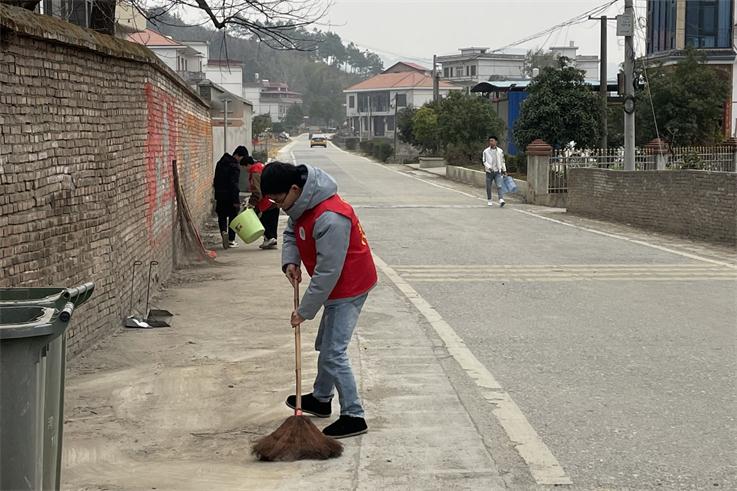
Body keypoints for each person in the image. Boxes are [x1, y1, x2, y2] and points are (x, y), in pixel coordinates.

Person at [260, 162, 377, 439]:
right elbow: (291, 233)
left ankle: (354, 415)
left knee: (334, 352)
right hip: (334, 285)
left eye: (279, 200)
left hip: (349, 286)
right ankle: (322, 399)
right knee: (325, 345)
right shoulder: (300, 205)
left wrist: (304, 311)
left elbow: (328, 272)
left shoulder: (330, 217)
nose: (279, 206)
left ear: (294, 189)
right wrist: (290, 260)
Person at [237, 151, 279, 249]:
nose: (244, 170)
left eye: (244, 167)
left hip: (266, 202)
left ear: (247, 165)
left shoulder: (255, 172)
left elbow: (257, 191)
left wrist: (251, 204)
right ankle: (271, 240)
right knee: (272, 221)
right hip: (275, 199)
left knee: (260, 221)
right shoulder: (261, 166)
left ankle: (269, 238)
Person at [212, 151, 241, 249]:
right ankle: (231, 240)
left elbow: (215, 180)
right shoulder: (234, 166)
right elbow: (234, 184)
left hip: (220, 195)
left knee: (222, 216)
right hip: (231, 196)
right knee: (233, 218)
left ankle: (223, 232)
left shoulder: (219, 163)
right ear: (237, 155)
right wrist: (236, 201)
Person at [482, 136, 507, 207]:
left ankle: (501, 199)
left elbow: (503, 161)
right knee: (488, 187)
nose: (491, 142)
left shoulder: (500, 151)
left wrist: (504, 170)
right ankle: (489, 200)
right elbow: (484, 161)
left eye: (492, 141)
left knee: (499, 186)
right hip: (489, 172)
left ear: (496, 142)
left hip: (497, 172)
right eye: (490, 141)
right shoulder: (485, 151)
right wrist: (489, 168)